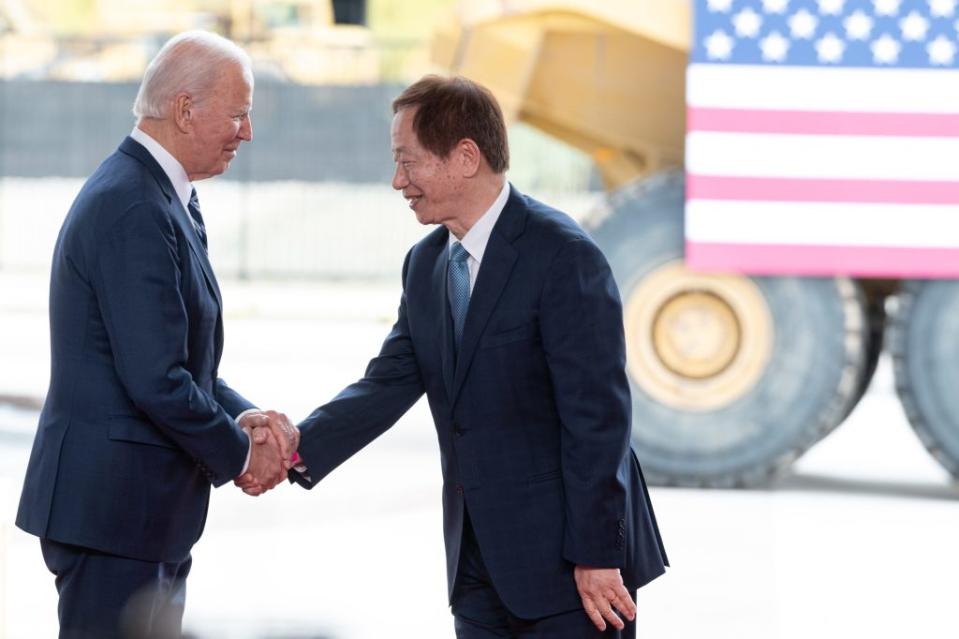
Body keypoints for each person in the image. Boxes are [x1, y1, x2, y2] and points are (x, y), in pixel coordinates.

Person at [258, 75, 668, 637]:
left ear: (466, 157)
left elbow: (598, 420)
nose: (398, 180)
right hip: (477, 566)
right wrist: (295, 449)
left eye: (409, 161)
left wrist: (597, 555)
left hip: (572, 569)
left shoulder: (562, 256)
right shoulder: (426, 265)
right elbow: (387, 383)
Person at [16, 31, 296, 639]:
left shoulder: (164, 197)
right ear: (186, 109)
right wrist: (243, 455)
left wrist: (245, 417)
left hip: (139, 516)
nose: (247, 132)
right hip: (113, 518)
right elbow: (155, 379)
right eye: (240, 114)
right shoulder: (133, 205)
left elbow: (177, 360)